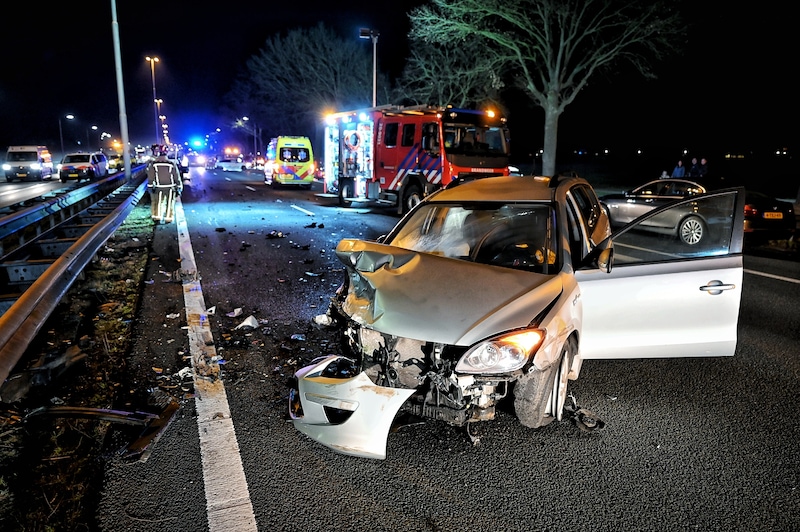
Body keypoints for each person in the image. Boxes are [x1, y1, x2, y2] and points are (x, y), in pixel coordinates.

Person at [146, 145, 183, 223]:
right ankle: (168, 218)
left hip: (158, 187)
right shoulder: (171, 163)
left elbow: (150, 176)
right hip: (170, 187)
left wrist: (150, 186)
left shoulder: (154, 163)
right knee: (170, 202)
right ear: (167, 153)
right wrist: (179, 186)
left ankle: (157, 217)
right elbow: (176, 176)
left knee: (159, 202)